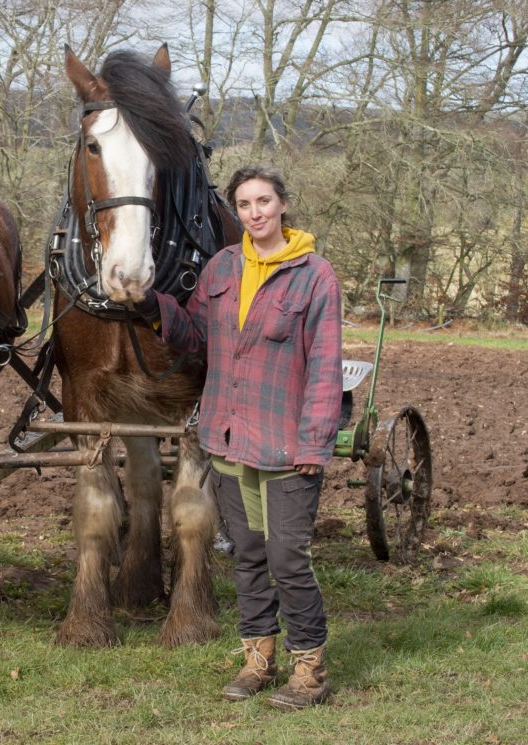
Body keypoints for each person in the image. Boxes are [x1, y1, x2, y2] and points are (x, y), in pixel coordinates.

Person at [135, 165, 342, 710]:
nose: (255, 213)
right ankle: (258, 659)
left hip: (285, 443)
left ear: (282, 205)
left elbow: (325, 366)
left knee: (288, 558)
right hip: (228, 438)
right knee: (248, 554)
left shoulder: (314, 275)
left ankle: (310, 667)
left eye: (264, 202)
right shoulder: (223, 267)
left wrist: (313, 444)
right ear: (238, 211)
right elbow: (197, 334)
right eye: (245, 204)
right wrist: (149, 304)